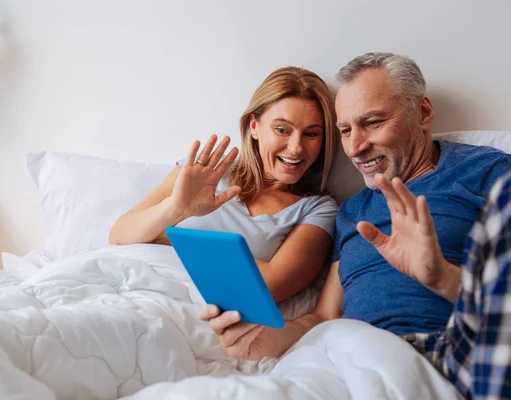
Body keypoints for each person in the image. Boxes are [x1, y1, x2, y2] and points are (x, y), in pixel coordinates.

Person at [201, 53, 511, 399]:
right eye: (345, 130)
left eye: (373, 122)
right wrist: (266, 338)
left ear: (423, 112)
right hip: (340, 359)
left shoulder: (488, 174)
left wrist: (442, 277)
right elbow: (322, 318)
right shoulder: (352, 211)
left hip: (441, 356)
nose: (355, 147)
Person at [109, 66, 339, 303]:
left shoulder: (317, 209)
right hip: (128, 287)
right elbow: (120, 233)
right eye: (282, 130)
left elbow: (269, 286)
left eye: (311, 134)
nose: (296, 147)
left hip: (187, 309)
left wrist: (169, 238)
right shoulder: (204, 173)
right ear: (254, 126)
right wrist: (174, 209)